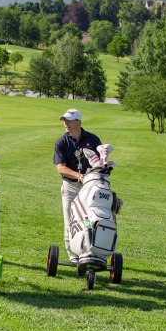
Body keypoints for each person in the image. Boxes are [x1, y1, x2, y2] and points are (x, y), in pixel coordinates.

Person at [53, 108, 102, 263]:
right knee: (71, 221)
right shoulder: (61, 142)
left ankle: (88, 252)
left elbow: (101, 163)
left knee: (89, 220)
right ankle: (73, 256)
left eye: (69, 120)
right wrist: (79, 176)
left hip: (90, 187)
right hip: (71, 187)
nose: (66, 123)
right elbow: (61, 167)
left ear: (78, 122)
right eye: (64, 121)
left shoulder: (93, 140)